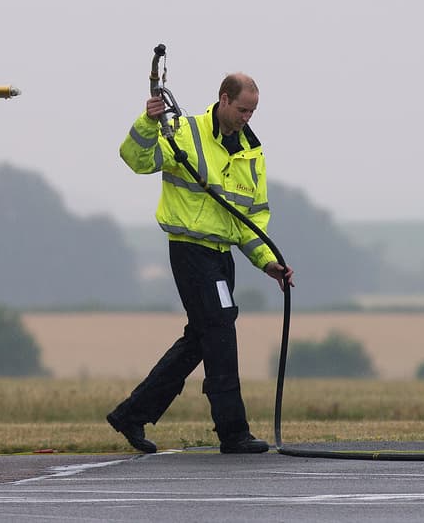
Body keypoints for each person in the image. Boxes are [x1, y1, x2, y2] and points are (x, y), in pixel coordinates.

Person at [106, 73, 294, 455]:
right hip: (190, 251)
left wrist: (267, 262)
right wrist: (147, 120)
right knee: (221, 331)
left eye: (253, 111)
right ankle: (233, 431)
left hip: (223, 257)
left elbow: (252, 218)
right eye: (242, 109)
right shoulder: (183, 132)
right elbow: (136, 159)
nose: (247, 118)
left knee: (201, 339)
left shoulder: (252, 153)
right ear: (223, 99)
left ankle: (132, 413)